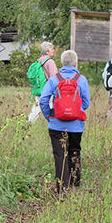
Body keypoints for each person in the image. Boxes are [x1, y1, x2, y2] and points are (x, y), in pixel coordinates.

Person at [39, 50, 90, 191]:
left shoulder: (54, 79)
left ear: (61, 63)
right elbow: (86, 102)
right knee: (75, 151)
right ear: (76, 63)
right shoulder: (81, 79)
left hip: (56, 125)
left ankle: (62, 186)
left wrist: (50, 116)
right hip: (76, 125)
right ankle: (75, 181)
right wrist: (75, 111)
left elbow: (43, 100)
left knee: (59, 155)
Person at [28, 41, 58, 123]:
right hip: (48, 88)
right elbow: (53, 78)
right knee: (50, 105)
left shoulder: (39, 60)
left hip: (39, 87)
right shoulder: (50, 62)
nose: (53, 50)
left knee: (37, 106)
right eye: (52, 49)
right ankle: (53, 123)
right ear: (47, 51)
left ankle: (29, 122)